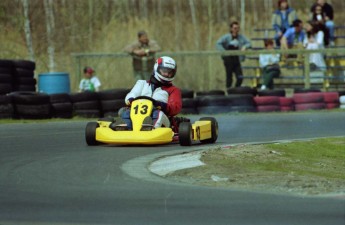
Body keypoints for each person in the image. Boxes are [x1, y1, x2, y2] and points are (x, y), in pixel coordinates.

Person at [112, 56, 182, 131]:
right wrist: (131, 99)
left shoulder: (173, 90)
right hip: (138, 114)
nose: (167, 74)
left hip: (163, 120)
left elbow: (175, 107)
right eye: (164, 71)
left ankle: (150, 129)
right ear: (156, 68)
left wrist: (160, 105)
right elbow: (132, 94)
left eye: (170, 72)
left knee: (158, 113)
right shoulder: (142, 83)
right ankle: (126, 129)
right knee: (127, 112)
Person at [216, 21, 251, 89]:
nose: (236, 30)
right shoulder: (226, 37)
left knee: (240, 77)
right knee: (229, 77)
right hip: (228, 59)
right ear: (231, 29)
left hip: (237, 59)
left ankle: (236, 90)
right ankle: (228, 91)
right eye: (235, 28)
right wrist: (224, 52)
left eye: (238, 28)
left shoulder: (241, 37)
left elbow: (249, 43)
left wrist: (245, 47)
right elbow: (218, 43)